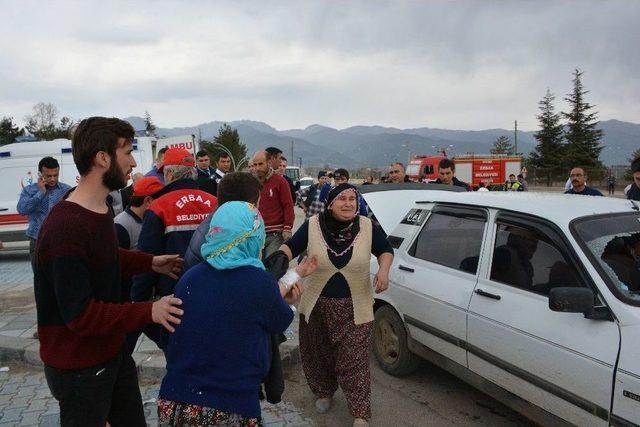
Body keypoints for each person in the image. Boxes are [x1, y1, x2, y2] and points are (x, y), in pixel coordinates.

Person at [34, 117, 184, 426]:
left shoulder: (100, 208)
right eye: (127, 152)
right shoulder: (65, 226)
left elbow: (103, 257)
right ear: (103, 158)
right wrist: (148, 311)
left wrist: (149, 262)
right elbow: (81, 315)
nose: (132, 162)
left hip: (111, 353)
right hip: (78, 367)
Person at [157, 201, 313, 426]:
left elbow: (170, 334)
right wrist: (288, 303)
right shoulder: (259, 281)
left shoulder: (190, 277)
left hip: (177, 400)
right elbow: (279, 321)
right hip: (230, 404)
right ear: (253, 238)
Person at [279, 184, 394, 426]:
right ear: (330, 203)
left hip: (357, 306)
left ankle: (360, 413)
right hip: (316, 305)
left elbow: (385, 250)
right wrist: (279, 260)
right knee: (318, 353)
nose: (349, 203)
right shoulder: (313, 225)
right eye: (342, 198)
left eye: (353, 198)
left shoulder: (366, 226)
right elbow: (290, 248)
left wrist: (383, 270)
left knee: (355, 360)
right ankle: (324, 391)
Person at [131, 148, 218, 348]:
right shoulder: (215, 203)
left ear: (170, 174)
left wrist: (139, 301)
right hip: (214, 294)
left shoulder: (159, 206)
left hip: (175, 302)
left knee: (180, 358)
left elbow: (147, 258)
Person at [183, 172, 263, 271]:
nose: (259, 208)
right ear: (249, 206)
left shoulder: (217, 224)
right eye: (258, 203)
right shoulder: (228, 239)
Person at [17, 156, 71, 273]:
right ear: (40, 174)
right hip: (37, 240)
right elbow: (22, 210)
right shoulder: (29, 191)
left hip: (60, 240)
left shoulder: (66, 190)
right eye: (48, 176)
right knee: (40, 277)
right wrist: (40, 193)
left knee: (61, 276)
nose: (52, 179)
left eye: (55, 175)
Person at [251, 150, 294, 257]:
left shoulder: (280, 182)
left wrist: (287, 228)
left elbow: (288, 205)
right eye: (255, 164)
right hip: (255, 234)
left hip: (275, 234)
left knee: (272, 265)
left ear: (269, 163)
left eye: (261, 164)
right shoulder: (251, 183)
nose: (257, 168)